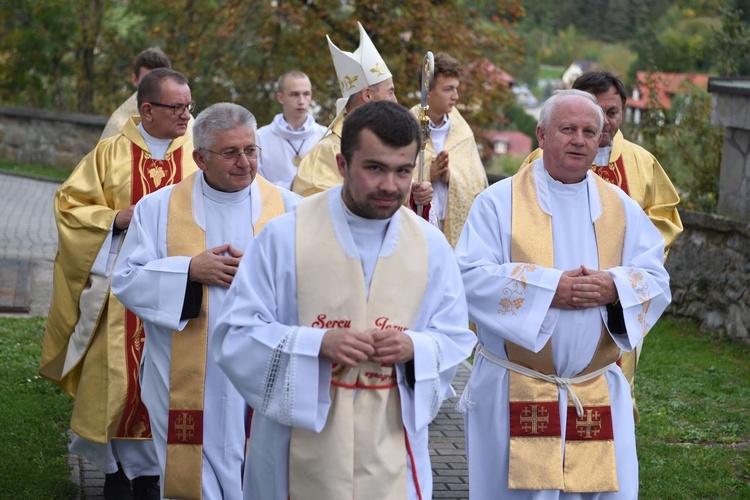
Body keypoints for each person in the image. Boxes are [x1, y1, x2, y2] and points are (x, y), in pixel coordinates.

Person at [214, 100, 476, 500]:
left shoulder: (431, 245)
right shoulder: (284, 236)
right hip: (296, 444)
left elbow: (453, 335)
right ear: (342, 164)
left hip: (391, 440)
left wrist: (415, 347)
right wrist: (317, 344)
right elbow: (235, 334)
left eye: (403, 170)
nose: (390, 185)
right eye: (374, 168)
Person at [455, 89, 671, 498]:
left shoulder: (622, 208)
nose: (579, 139)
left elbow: (655, 279)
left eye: (590, 131)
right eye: (567, 129)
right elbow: (467, 277)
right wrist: (550, 290)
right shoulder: (498, 204)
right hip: (517, 385)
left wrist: (614, 287)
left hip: (594, 389)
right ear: (541, 135)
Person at [111, 102, 300, 499]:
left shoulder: (289, 210)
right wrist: (189, 271)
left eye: (251, 150)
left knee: (261, 471)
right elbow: (126, 280)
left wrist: (266, 272)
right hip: (181, 376)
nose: (245, 162)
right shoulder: (158, 209)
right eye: (230, 152)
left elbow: (315, 286)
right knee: (191, 478)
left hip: (261, 373)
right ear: (200, 157)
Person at [40, 68, 197, 499]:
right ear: (147, 110)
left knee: (173, 380)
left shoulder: (201, 154)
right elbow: (69, 206)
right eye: (176, 107)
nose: (187, 115)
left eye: (189, 106)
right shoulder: (109, 154)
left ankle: (155, 473)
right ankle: (114, 472)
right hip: (122, 295)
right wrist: (115, 219)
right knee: (119, 382)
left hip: (184, 290)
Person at [521, 71, 683, 422]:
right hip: (556, 285)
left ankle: (616, 425)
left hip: (614, 289)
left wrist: (626, 265)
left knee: (611, 381)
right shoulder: (540, 161)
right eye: (596, 110)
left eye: (612, 112)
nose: (605, 122)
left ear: (623, 111)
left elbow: (664, 219)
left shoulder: (641, 162)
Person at [291, 22, 432, 216]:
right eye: (390, 92)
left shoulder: (393, 143)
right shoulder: (328, 150)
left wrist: (416, 196)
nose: (395, 100)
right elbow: (315, 214)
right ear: (367, 95)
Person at [408, 53, 488, 247]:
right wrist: (428, 173)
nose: (456, 96)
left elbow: (477, 182)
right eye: (448, 89)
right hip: (418, 222)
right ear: (428, 91)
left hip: (452, 224)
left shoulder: (462, 131)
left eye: (456, 88)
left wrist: (449, 175)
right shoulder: (407, 124)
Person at [256, 70, 327, 189]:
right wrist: (290, 186)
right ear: (280, 97)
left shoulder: (325, 136)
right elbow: (256, 184)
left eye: (306, 94)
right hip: (276, 205)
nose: (301, 101)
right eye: (294, 94)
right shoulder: (259, 138)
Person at [100, 47, 172, 141]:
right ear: (135, 80)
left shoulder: (183, 118)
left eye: (161, 81)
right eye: (147, 81)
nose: (155, 88)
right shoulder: (118, 125)